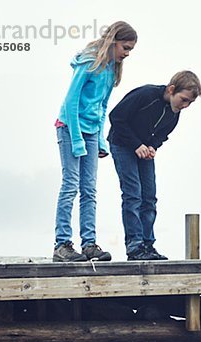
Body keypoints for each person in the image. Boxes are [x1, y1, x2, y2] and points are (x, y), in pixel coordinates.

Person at [53, 21, 137, 262]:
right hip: (69, 127)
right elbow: (71, 102)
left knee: (89, 189)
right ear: (113, 41)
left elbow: (101, 107)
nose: (127, 53)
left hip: (90, 132)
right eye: (126, 47)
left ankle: (89, 244)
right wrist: (78, 139)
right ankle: (62, 244)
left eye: (131, 50)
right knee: (71, 185)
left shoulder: (112, 69)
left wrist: (100, 140)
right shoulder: (89, 62)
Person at [108, 71, 201, 260]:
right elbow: (116, 117)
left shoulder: (175, 112)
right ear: (171, 89)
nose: (185, 106)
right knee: (133, 194)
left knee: (149, 197)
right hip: (123, 145)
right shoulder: (146, 95)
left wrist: (152, 146)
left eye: (190, 103)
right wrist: (136, 145)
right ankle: (134, 246)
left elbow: (163, 133)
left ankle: (147, 244)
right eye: (184, 100)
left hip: (144, 151)